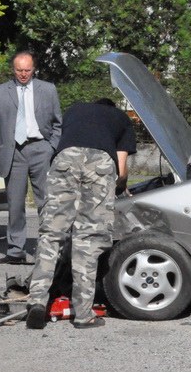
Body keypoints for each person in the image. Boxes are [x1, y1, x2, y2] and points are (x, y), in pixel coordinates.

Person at [24, 98, 137, 330]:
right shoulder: (121, 118)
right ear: (112, 107)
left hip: (65, 159)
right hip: (100, 164)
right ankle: (84, 314)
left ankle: (36, 301)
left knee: (51, 234)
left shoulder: (75, 110)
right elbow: (121, 168)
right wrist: (120, 186)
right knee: (88, 239)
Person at [0, 51, 62, 265]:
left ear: (34, 69)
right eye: (19, 70)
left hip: (40, 149)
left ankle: (49, 249)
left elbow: (58, 123)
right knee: (15, 204)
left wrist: (51, 147)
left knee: (46, 201)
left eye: (27, 70)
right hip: (13, 152)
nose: (23, 74)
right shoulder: (0, 92)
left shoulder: (48, 89)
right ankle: (15, 250)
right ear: (13, 69)